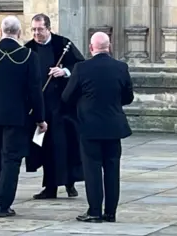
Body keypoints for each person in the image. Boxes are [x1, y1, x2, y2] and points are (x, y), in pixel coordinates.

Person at [0, 16, 47, 217]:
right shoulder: (29, 56)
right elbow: (35, 92)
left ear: (1, 31)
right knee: (11, 159)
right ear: (19, 33)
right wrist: (40, 119)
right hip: (16, 117)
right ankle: (3, 204)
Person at [62, 32, 134, 223]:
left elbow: (66, 97)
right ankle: (110, 212)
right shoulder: (121, 67)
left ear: (91, 47)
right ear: (109, 47)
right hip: (113, 126)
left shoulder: (81, 68)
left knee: (92, 169)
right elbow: (128, 97)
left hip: (89, 127)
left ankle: (94, 211)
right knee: (112, 169)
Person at [24, 13, 85, 200]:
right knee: (45, 148)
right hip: (41, 108)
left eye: (40, 29)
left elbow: (80, 66)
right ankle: (49, 187)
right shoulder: (28, 49)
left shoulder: (62, 44)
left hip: (62, 106)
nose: (36, 33)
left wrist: (64, 71)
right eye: (33, 29)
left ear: (48, 28)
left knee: (65, 146)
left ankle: (69, 184)